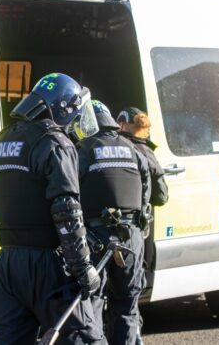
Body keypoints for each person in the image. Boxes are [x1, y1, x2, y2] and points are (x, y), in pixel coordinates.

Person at [0, 73, 105, 345]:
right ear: (64, 107)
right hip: (47, 265)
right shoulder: (54, 142)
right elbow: (66, 211)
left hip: (7, 265)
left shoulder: (3, 143)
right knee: (83, 339)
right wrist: (83, 266)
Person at [76, 100, 151, 345]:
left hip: (96, 238)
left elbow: (70, 192)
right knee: (127, 305)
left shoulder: (84, 149)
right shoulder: (134, 149)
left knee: (93, 302)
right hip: (132, 237)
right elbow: (147, 196)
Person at [116, 107, 168, 208]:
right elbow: (161, 197)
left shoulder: (108, 147)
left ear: (121, 125)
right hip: (136, 217)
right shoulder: (145, 151)